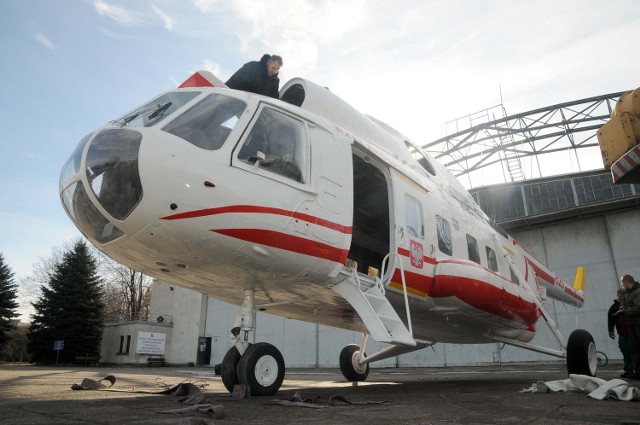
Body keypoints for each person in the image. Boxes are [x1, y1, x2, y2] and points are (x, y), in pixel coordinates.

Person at [608, 287, 634, 378]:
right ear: (618, 295)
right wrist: (611, 331)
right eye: (621, 294)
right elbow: (611, 321)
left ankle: (637, 370)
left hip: (634, 333)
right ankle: (628, 370)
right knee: (626, 352)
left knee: (635, 352)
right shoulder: (614, 308)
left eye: (625, 293)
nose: (623, 295)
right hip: (623, 334)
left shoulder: (632, 304)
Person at [619, 274, 640, 379]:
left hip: (637, 323)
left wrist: (625, 311)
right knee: (634, 349)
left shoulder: (637, 292)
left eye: (624, 283)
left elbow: (638, 308)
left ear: (627, 282)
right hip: (631, 323)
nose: (623, 285)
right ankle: (638, 372)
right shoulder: (629, 294)